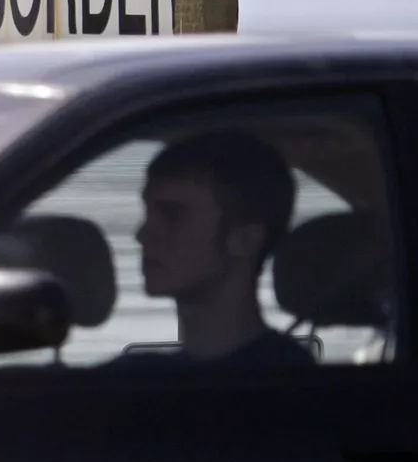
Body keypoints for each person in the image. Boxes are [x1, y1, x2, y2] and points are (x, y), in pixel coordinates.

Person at [104, 129, 315, 368]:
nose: (142, 234)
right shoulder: (134, 377)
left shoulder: (289, 382)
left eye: (173, 215)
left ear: (245, 239)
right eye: (149, 213)